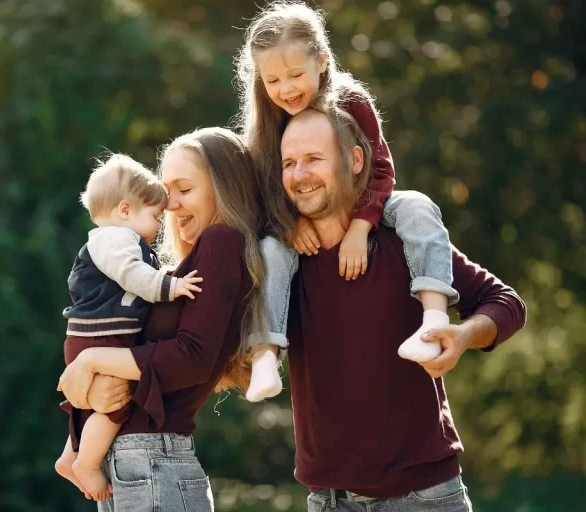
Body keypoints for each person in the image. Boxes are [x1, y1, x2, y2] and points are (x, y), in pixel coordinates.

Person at [281, 104, 527, 511]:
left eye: (313, 159)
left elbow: (506, 303)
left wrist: (463, 336)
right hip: (328, 501)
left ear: (355, 160)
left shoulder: (406, 242)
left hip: (424, 498)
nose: (299, 174)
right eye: (289, 163)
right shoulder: (283, 262)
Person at [234, 1, 458, 402]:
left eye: (295, 75)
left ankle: (432, 319)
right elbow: (266, 189)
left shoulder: (350, 100)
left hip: (368, 204)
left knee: (418, 206)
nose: (285, 89)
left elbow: (382, 170)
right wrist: (290, 225)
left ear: (321, 61)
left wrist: (361, 225)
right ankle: (265, 353)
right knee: (270, 250)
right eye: (272, 80)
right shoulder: (268, 122)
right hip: (298, 219)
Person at [57, 127, 267, 511]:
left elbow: (190, 358)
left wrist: (88, 362)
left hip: (151, 460)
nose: (170, 206)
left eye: (185, 190)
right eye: (167, 195)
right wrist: (85, 390)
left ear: (223, 188)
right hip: (132, 461)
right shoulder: (178, 270)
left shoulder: (222, 240)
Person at [54, 154, 204, 501]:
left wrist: (164, 277)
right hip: (101, 334)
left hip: (94, 335)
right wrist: (170, 287)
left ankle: (70, 455)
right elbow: (131, 276)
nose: (158, 226)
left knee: (102, 399)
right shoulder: (114, 240)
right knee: (119, 400)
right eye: (154, 216)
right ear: (125, 210)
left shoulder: (119, 241)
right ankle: (87, 463)